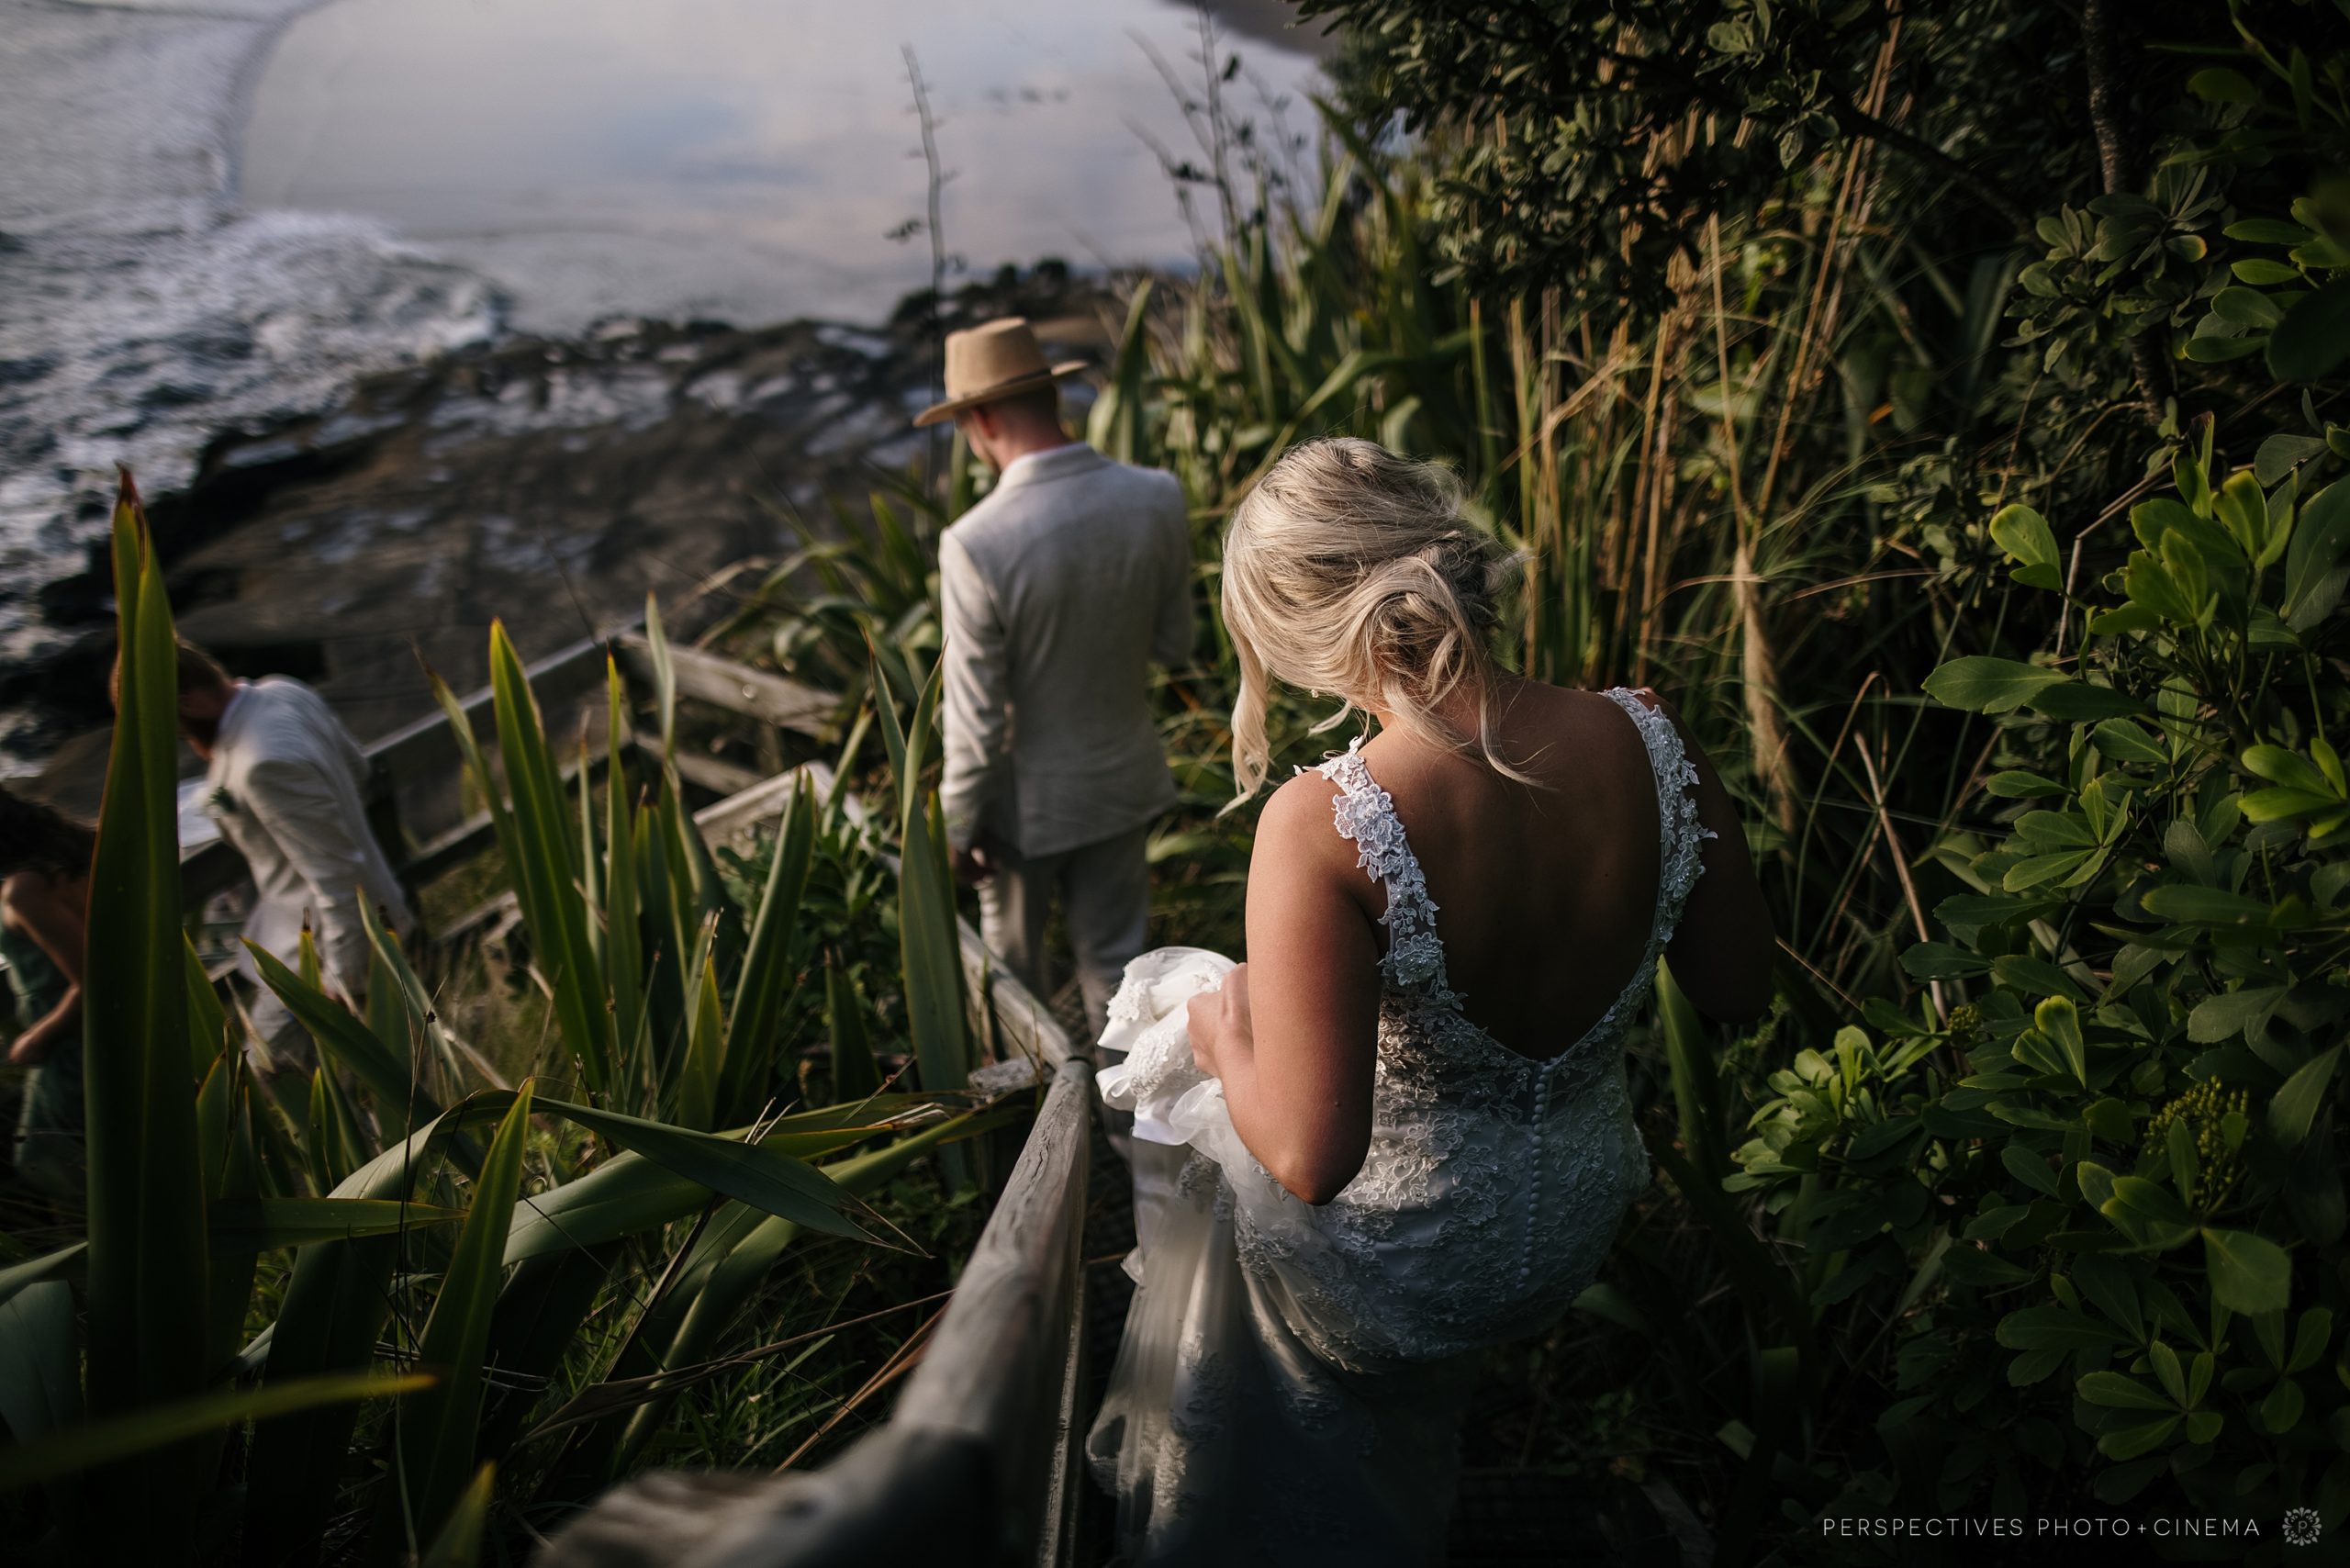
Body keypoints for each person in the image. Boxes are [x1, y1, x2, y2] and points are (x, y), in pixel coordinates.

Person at [1084, 438, 1775, 1564]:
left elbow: (1312, 1159)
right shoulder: (1653, 734)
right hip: (1566, 1232)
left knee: (1201, 1059)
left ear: (1306, 630)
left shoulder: (1322, 822)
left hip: (1400, 1267)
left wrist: (1216, 1033)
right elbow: (1737, 988)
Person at [914, 316, 1194, 1039]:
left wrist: (956, 828)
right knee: (1122, 979)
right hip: (1122, 780)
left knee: (1015, 986)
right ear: (1049, 396)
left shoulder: (974, 542)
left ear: (980, 419)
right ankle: (1130, 1116)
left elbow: (975, 723)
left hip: (1022, 812)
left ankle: (1040, 1106)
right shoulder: (1157, 495)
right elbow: (1176, 643)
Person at [127, 638, 413, 1076]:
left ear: (187, 703)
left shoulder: (261, 765)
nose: (178, 738)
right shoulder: (285, 690)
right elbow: (357, 769)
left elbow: (337, 873)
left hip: (325, 954)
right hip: (364, 921)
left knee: (265, 1079)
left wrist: (344, 979)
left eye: (173, 727)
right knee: (365, 1078)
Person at [0, 786, 92, 1198]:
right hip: (105, 1029)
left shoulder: (25, 891)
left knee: (47, 1159)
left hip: (72, 1043)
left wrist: (36, 1039)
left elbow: (90, 979)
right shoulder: (71, 860)